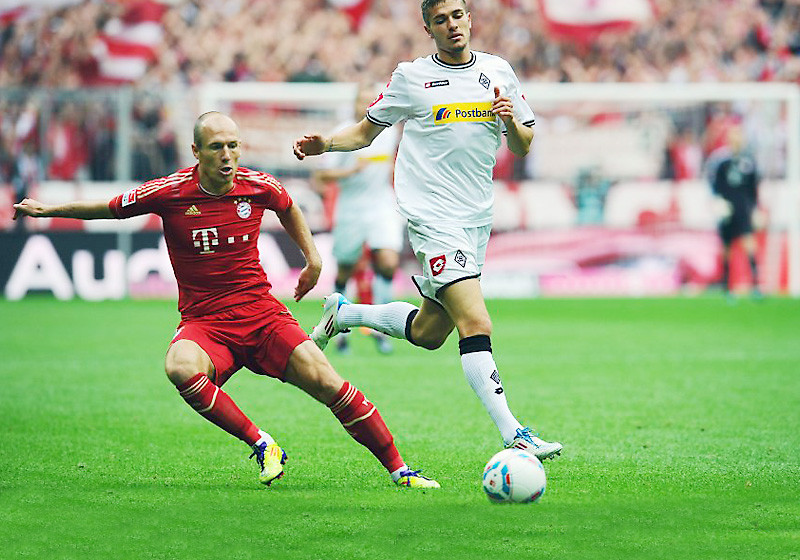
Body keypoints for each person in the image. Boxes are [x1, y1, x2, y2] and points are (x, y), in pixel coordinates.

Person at [13, 111, 439, 489]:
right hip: (205, 322)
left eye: (233, 145)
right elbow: (110, 208)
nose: (227, 155)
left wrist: (312, 260)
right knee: (180, 367)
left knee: (329, 384)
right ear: (196, 150)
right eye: (217, 147)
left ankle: (400, 470)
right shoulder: (170, 192)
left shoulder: (257, 186)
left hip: (262, 314)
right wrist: (49, 212)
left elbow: (289, 206)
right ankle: (262, 442)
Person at [293, 0, 563, 461]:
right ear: (428, 28)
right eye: (441, 20)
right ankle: (513, 432)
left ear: (469, 19)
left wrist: (508, 120)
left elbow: (522, 144)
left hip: (476, 217)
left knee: (429, 332)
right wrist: (326, 144)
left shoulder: (498, 72)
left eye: (458, 15)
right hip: (430, 216)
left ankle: (346, 314)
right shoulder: (411, 78)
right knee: (475, 322)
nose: (452, 25)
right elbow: (364, 133)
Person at [312, 84, 404, 355]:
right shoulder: (341, 133)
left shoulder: (388, 132)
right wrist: (350, 172)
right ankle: (338, 329)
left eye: (370, 101)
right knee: (345, 271)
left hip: (381, 204)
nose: (365, 106)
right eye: (361, 100)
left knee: (388, 263)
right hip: (351, 208)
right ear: (353, 104)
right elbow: (320, 177)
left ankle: (381, 330)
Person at [709, 124, 762, 299]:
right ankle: (726, 287)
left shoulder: (749, 162)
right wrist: (718, 203)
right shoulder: (721, 161)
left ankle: (755, 286)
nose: (736, 139)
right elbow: (715, 186)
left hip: (744, 209)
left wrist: (755, 209)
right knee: (727, 247)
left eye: (739, 136)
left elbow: (754, 189)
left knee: (749, 244)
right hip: (727, 210)